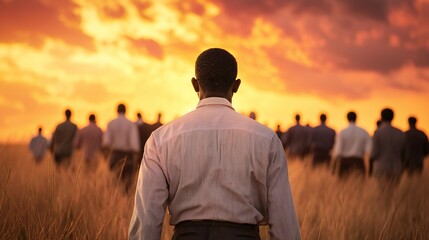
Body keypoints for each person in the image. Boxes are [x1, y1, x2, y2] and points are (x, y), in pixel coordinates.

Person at [129, 48, 300, 240]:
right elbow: (285, 225)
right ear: (236, 86)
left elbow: (147, 222)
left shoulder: (160, 139)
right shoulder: (267, 139)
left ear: (195, 84)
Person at [103, 103, 140, 192]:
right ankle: (125, 199)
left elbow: (106, 142)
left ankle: (115, 199)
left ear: (116, 110)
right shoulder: (131, 124)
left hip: (115, 155)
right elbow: (134, 145)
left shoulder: (110, 123)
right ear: (126, 111)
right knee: (127, 182)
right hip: (127, 156)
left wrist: (107, 155)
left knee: (115, 180)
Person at [370, 108, 406, 187]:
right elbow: (404, 155)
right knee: (393, 192)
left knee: (382, 192)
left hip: (381, 168)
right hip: (396, 168)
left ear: (381, 117)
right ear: (393, 117)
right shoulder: (401, 133)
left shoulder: (378, 132)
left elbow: (374, 154)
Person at [332, 111, 371, 177]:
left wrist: (334, 166)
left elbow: (338, 151)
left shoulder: (342, 132)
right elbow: (369, 150)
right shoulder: (364, 132)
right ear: (356, 118)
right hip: (358, 162)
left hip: (344, 162)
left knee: (343, 185)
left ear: (347, 118)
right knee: (359, 184)